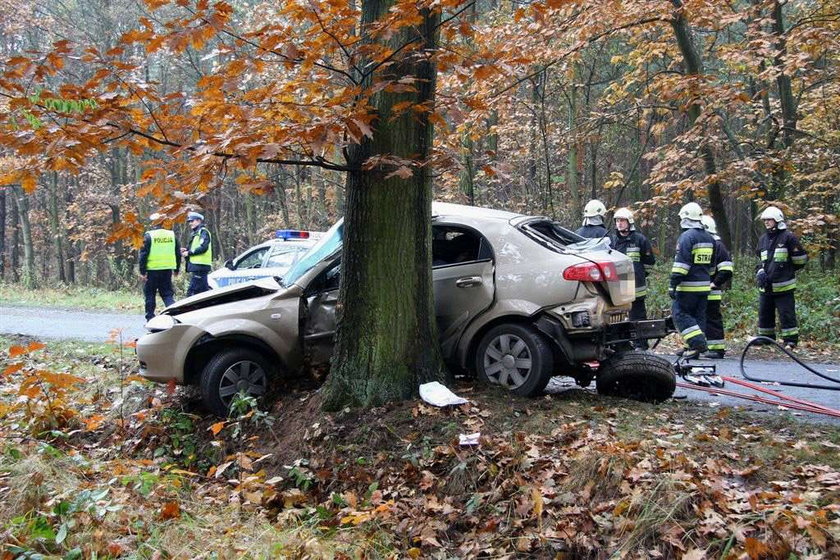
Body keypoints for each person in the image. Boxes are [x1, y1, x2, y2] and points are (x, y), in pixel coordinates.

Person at [755, 206, 808, 348]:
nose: (766, 222)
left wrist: (786, 270)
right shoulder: (763, 240)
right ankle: (766, 338)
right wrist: (760, 271)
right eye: (765, 220)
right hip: (766, 286)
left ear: (777, 220)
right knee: (764, 313)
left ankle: (790, 340)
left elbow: (801, 260)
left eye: (769, 220)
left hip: (784, 285)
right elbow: (759, 260)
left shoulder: (788, 237)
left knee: (786, 314)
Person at [669, 202, 715, 359]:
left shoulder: (686, 237)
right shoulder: (709, 237)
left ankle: (697, 342)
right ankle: (693, 348)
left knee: (680, 314)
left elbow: (681, 264)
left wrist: (673, 284)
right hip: (703, 286)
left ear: (685, 218)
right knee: (698, 317)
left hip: (688, 286)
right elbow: (712, 265)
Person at [609, 207, 655, 349]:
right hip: (618, 286)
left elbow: (649, 263)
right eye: (617, 221)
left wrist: (640, 275)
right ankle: (620, 345)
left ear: (629, 222)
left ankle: (641, 345)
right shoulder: (612, 241)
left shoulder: (640, 240)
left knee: (638, 318)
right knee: (618, 318)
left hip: (636, 287)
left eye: (622, 220)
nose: (619, 223)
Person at [700, 215, 733, 359]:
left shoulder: (718, 246)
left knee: (712, 319)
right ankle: (696, 347)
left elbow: (726, 270)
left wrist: (714, 284)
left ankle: (717, 349)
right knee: (697, 320)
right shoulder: (702, 245)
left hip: (711, 291)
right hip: (698, 291)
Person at [138, 213, 180, 321]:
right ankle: (174, 315)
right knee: (167, 295)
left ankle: (150, 318)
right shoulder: (171, 235)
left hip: (152, 270)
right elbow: (177, 253)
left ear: (153, 223)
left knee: (150, 294)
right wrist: (176, 269)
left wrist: (142, 272)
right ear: (162, 222)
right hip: (167, 270)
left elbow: (143, 255)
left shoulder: (148, 236)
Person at [182, 211, 213, 297]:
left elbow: (203, 247)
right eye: (189, 222)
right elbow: (195, 247)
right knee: (203, 292)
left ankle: (187, 309)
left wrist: (189, 253)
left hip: (200, 266)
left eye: (192, 221)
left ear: (199, 221)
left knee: (192, 292)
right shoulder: (196, 233)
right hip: (197, 266)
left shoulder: (203, 232)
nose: (190, 223)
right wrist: (186, 250)